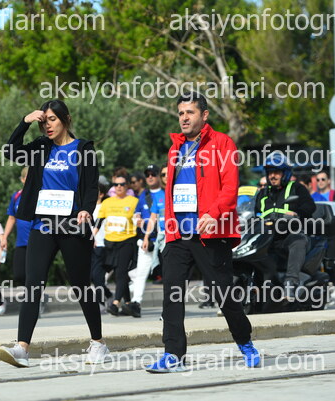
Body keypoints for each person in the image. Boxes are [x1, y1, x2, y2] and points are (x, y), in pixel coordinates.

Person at [146, 93, 259, 373]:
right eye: (181, 113)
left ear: (204, 115)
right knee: (172, 294)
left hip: (211, 233)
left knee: (223, 293)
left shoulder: (222, 143)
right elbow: (171, 193)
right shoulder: (175, 149)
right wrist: (168, 227)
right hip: (178, 235)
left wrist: (213, 214)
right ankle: (173, 355)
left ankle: (244, 341)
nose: (184, 118)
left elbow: (230, 187)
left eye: (190, 112)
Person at [0, 99, 109, 367]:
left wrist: (86, 210)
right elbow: (11, 152)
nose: (47, 126)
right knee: (33, 285)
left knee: (81, 285)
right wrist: (24, 123)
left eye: (52, 120)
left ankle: (98, 343)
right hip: (42, 225)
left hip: (72, 225)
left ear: (66, 119)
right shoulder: (40, 147)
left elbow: (91, 186)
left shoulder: (83, 149)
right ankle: (22, 348)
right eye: (43, 121)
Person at [255, 153, 316, 300]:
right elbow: (253, 211)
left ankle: (291, 283)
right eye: (270, 172)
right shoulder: (263, 193)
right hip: (267, 237)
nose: (272, 176)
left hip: (288, 235)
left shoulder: (296, 188)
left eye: (276, 172)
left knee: (298, 240)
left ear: (285, 173)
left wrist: (297, 213)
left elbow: (310, 206)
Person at [93, 174, 139, 316]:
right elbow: (99, 221)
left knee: (121, 272)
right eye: (116, 185)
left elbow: (140, 218)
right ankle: (129, 304)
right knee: (119, 273)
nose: (119, 187)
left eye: (122, 184)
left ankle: (115, 303)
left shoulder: (134, 201)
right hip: (110, 243)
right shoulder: (107, 202)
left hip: (127, 240)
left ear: (126, 186)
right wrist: (92, 237)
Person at [124, 164, 164, 318]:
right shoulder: (144, 195)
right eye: (148, 175)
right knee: (141, 273)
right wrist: (137, 220)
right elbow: (136, 214)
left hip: (164, 240)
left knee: (169, 274)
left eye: (153, 174)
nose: (150, 177)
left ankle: (170, 306)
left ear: (159, 176)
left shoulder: (166, 193)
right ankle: (136, 303)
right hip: (147, 241)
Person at [312, 169, 335, 287]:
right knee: (321, 262)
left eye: (323, 179)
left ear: (329, 181)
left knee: (333, 262)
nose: (320, 182)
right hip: (319, 234)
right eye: (318, 180)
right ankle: (330, 286)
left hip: (334, 234)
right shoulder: (313, 197)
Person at [2, 167, 33, 286]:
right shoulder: (16, 196)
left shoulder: (40, 194)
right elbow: (11, 218)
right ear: (22, 179)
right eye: (27, 178)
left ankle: (35, 295)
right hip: (21, 242)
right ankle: (31, 293)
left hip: (36, 241)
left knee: (34, 273)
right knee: (19, 274)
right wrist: (4, 237)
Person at [90, 179, 111, 310]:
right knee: (91, 276)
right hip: (89, 245)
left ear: (101, 194)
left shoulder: (106, 207)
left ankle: (101, 303)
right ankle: (109, 295)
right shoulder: (88, 207)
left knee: (97, 276)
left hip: (102, 245)